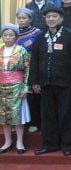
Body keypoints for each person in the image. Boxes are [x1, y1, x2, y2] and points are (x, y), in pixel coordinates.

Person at [29, 7, 71, 156]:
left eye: (54, 16)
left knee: (66, 114)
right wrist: (34, 81)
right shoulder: (40, 38)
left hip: (66, 83)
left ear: (61, 19)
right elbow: (34, 61)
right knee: (48, 115)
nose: (51, 19)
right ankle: (50, 144)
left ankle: (68, 145)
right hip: (45, 83)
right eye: (48, 17)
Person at [0, 24, 30, 154]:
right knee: (4, 115)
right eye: (5, 35)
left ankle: (19, 141)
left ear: (16, 37)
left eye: (11, 35)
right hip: (1, 86)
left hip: (18, 86)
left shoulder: (21, 50)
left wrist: (26, 87)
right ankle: (7, 141)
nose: (8, 37)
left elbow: (28, 69)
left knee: (18, 115)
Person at [15, 8, 42, 133]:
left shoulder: (36, 32)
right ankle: (17, 122)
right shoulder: (13, 33)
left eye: (24, 18)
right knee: (18, 96)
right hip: (17, 70)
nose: (21, 20)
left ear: (30, 19)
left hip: (33, 67)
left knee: (33, 96)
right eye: (19, 18)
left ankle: (34, 122)